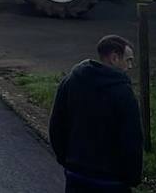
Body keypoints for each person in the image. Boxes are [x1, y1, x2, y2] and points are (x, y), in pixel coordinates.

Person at [49, 34, 143, 192]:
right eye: (128, 60)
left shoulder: (71, 81)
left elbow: (56, 124)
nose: (131, 66)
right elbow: (131, 140)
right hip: (110, 181)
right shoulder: (123, 92)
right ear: (114, 58)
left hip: (76, 174)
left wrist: (66, 160)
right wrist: (132, 177)